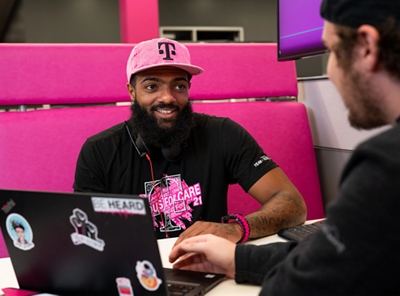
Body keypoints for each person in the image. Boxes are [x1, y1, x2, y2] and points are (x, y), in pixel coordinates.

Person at [169, 0, 400, 294]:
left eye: (330, 51)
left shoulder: (385, 167)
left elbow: (302, 284)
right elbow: (327, 256)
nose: (330, 72)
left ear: (367, 45)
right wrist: (238, 260)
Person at [73, 37, 307, 243]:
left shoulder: (223, 134)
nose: (167, 97)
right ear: (132, 92)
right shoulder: (99, 151)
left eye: (179, 85)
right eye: (152, 86)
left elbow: (293, 204)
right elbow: (84, 234)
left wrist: (235, 229)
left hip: (209, 269)